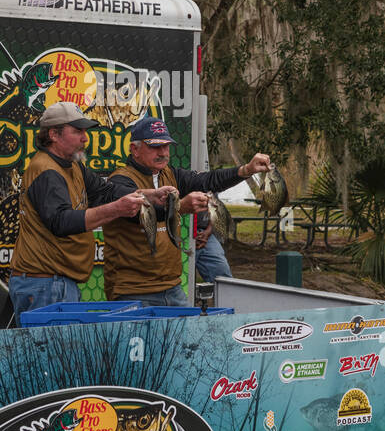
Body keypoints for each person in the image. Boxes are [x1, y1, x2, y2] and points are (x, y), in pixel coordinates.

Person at [7, 101, 151, 320]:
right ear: (54, 134)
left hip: (55, 282)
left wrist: (148, 195)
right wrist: (117, 209)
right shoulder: (45, 170)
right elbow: (61, 222)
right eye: (77, 131)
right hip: (45, 283)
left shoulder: (73, 164)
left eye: (85, 131)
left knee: (61, 352)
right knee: (50, 353)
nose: (85, 138)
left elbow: (105, 191)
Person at [104, 117, 269, 305]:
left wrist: (245, 170)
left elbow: (208, 180)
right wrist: (181, 206)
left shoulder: (171, 174)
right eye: (155, 146)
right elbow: (139, 211)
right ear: (135, 149)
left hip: (172, 288)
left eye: (166, 146)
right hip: (133, 291)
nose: (163, 152)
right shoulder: (119, 180)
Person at [193, 203, 233, 284]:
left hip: (205, 234)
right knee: (180, 278)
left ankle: (226, 295)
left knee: (222, 274)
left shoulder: (209, 191)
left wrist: (208, 231)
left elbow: (215, 210)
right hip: (179, 233)